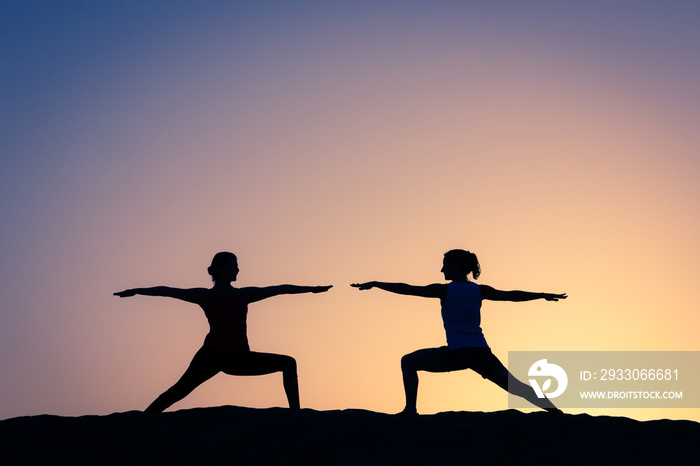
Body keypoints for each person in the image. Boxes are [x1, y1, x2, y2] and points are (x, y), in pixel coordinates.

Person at [351, 249, 566, 415]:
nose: (442, 270)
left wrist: (377, 284)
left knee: (408, 361)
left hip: (458, 353)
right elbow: (511, 295)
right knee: (516, 387)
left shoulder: (444, 290)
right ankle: (555, 412)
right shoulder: (479, 290)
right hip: (481, 352)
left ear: (455, 266)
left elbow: (408, 289)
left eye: (445, 265)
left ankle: (410, 411)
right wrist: (542, 294)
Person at [114, 251, 332, 412]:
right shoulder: (205, 296)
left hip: (239, 358)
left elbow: (279, 289)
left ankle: (296, 414)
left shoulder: (244, 294)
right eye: (233, 265)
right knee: (178, 391)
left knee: (288, 363)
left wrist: (311, 289)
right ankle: (143, 419)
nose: (237, 269)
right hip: (211, 356)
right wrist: (136, 291)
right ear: (220, 268)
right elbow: (167, 291)